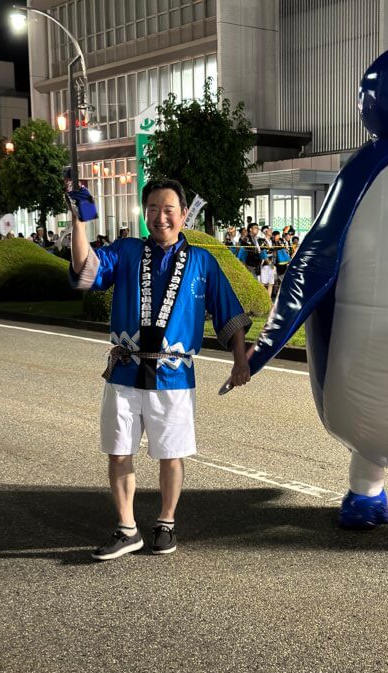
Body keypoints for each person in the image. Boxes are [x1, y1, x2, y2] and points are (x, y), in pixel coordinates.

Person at [68, 178, 252, 560]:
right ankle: (127, 529)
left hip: (174, 375)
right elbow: (86, 270)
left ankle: (166, 522)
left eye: (168, 209)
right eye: (152, 209)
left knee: (171, 454)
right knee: (118, 451)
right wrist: (79, 222)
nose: (160, 217)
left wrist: (240, 360)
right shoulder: (127, 252)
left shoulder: (203, 262)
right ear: (145, 214)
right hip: (125, 370)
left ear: (183, 214)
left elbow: (229, 312)